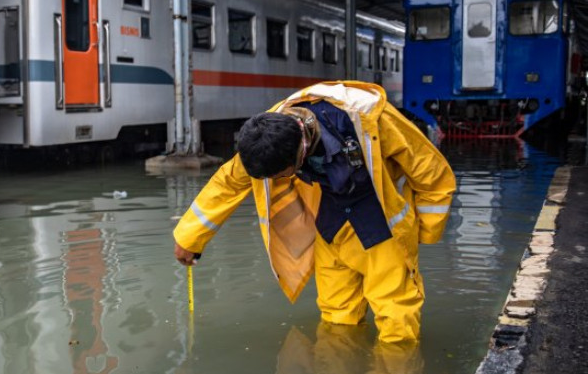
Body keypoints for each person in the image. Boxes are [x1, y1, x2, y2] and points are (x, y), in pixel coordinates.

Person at [172, 81, 456, 343]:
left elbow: (429, 169)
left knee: (397, 323)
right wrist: (189, 238)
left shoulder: (367, 116)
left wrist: (425, 232)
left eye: (276, 176)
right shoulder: (268, 132)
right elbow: (228, 181)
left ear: (297, 157)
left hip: (380, 229)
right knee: (336, 321)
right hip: (331, 229)